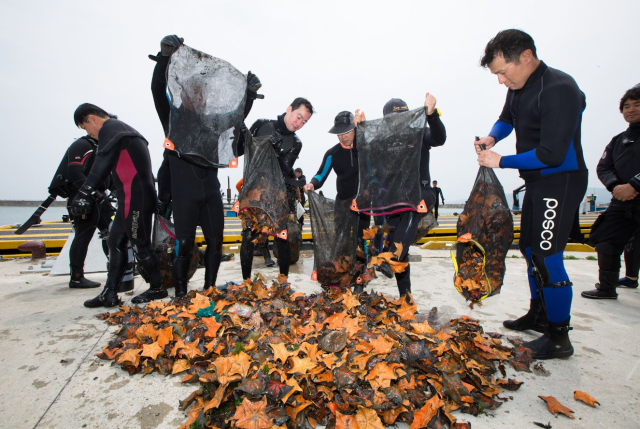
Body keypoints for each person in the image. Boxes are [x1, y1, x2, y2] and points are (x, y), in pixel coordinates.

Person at [475, 29, 588, 359]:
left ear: (525, 57)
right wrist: (492, 139)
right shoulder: (519, 86)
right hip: (537, 182)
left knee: (546, 254)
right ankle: (539, 314)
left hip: (560, 179)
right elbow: (506, 119)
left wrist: (502, 161)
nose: (500, 81)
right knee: (529, 249)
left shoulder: (560, 89)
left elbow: (552, 153)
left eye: (502, 72)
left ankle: (558, 337)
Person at [150, 35, 262, 297]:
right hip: (184, 193)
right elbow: (157, 90)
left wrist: (250, 95)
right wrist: (164, 58)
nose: (199, 97)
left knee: (215, 242)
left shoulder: (213, 123)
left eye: (202, 93)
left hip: (210, 191)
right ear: (184, 94)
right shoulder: (174, 120)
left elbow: (236, 118)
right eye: (194, 92)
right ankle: (180, 293)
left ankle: (210, 289)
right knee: (185, 244)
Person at [70, 104, 165, 308]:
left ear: (91, 118)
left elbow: (102, 162)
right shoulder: (123, 130)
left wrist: (84, 192)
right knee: (115, 242)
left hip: (135, 197)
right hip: (130, 197)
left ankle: (157, 287)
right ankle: (110, 292)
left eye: (85, 128)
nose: (90, 134)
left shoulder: (111, 129)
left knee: (140, 243)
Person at [354, 94, 446, 297]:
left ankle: (389, 258)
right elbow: (362, 153)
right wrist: (359, 129)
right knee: (399, 248)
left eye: (403, 117)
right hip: (394, 200)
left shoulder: (419, 133)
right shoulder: (381, 141)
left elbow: (440, 138)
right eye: (393, 119)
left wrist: (432, 115)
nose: (399, 123)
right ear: (386, 121)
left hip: (421, 192)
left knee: (411, 213)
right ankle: (406, 298)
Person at [238, 98, 314, 281]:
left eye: (304, 122)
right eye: (298, 117)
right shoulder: (262, 125)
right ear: (289, 109)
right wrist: (244, 136)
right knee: (249, 235)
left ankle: (283, 281)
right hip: (255, 192)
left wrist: (274, 150)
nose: (299, 123)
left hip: (280, 193)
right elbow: (242, 149)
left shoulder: (296, 142)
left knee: (282, 237)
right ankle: (246, 282)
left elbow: (285, 169)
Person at [582, 85, 640, 299]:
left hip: (633, 193)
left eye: (637, 105)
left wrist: (634, 185)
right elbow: (603, 167)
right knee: (606, 241)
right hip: (621, 202)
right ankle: (607, 287)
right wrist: (616, 187)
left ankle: (632, 276)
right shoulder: (618, 141)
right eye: (627, 106)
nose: (631, 109)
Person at [49, 135, 114, 289]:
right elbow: (74, 172)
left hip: (100, 197)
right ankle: (77, 277)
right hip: (82, 198)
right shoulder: (82, 144)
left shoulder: (103, 148)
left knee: (111, 231)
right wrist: (90, 193)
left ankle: (117, 268)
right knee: (83, 236)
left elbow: (107, 175)